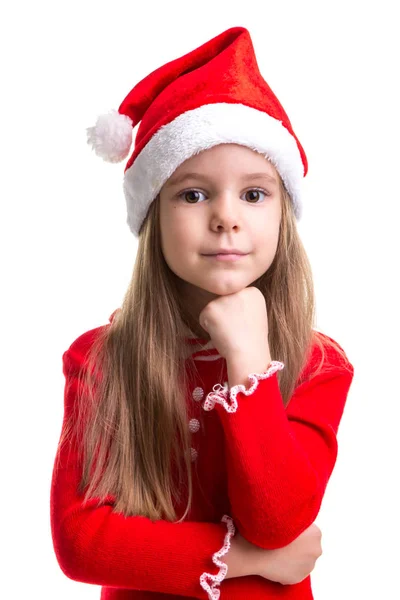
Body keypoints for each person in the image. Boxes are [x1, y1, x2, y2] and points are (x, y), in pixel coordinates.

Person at [50, 26, 355, 600]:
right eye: (193, 194)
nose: (226, 218)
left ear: (282, 214)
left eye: (254, 194)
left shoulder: (319, 364)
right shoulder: (101, 358)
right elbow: (80, 542)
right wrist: (241, 559)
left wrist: (248, 361)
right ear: (153, 217)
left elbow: (278, 521)